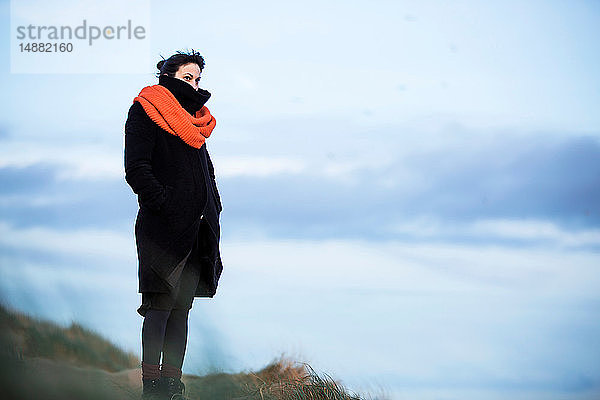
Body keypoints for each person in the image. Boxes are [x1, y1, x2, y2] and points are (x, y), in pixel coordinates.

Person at [124, 49, 224, 400]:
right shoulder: (145, 111)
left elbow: (204, 172)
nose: (194, 85)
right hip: (162, 228)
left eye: (197, 80)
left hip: (197, 228)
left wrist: (214, 205)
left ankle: (171, 386)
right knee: (159, 307)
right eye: (187, 78)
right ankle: (151, 387)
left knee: (182, 309)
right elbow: (136, 168)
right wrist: (163, 203)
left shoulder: (195, 121)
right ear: (167, 76)